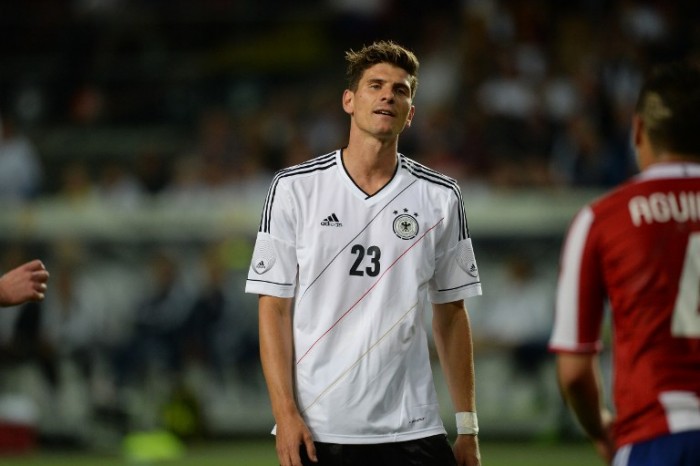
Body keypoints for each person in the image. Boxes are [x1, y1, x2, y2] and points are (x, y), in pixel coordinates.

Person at [245, 41, 483, 466]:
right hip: (320, 430)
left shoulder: (441, 197)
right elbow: (273, 309)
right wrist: (284, 414)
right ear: (349, 101)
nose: (389, 94)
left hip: (414, 427)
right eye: (375, 85)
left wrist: (467, 428)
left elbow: (451, 313)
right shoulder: (294, 189)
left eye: (401, 89)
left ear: (410, 114)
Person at [549, 60, 700, 466]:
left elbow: (575, 371)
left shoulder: (601, 220)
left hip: (657, 435)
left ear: (638, 131)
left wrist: (600, 426)